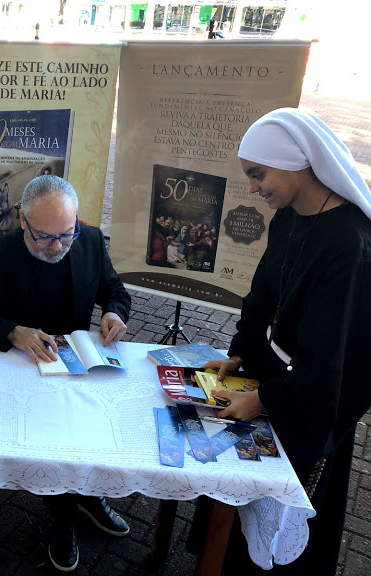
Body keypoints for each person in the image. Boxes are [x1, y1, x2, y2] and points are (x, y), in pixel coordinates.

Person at [202, 108, 371, 575]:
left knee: (282, 529)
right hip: (273, 377)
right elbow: (263, 292)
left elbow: (334, 360)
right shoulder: (289, 217)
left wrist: (266, 398)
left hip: (314, 399)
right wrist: (239, 351)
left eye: (258, 174)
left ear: (295, 161)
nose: (253, 188)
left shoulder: (349, 245)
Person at [0, 175, 132, 572]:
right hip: (19, 372)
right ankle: (63, 519)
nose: (57, 246)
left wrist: (114, 311)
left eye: (66, 234)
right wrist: (10, 330)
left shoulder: (90, 240)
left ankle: (87, 496)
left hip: (75, 366)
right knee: (51, 442)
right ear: (23, 220)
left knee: (88, 432)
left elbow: (114, 289)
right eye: (44, 237)